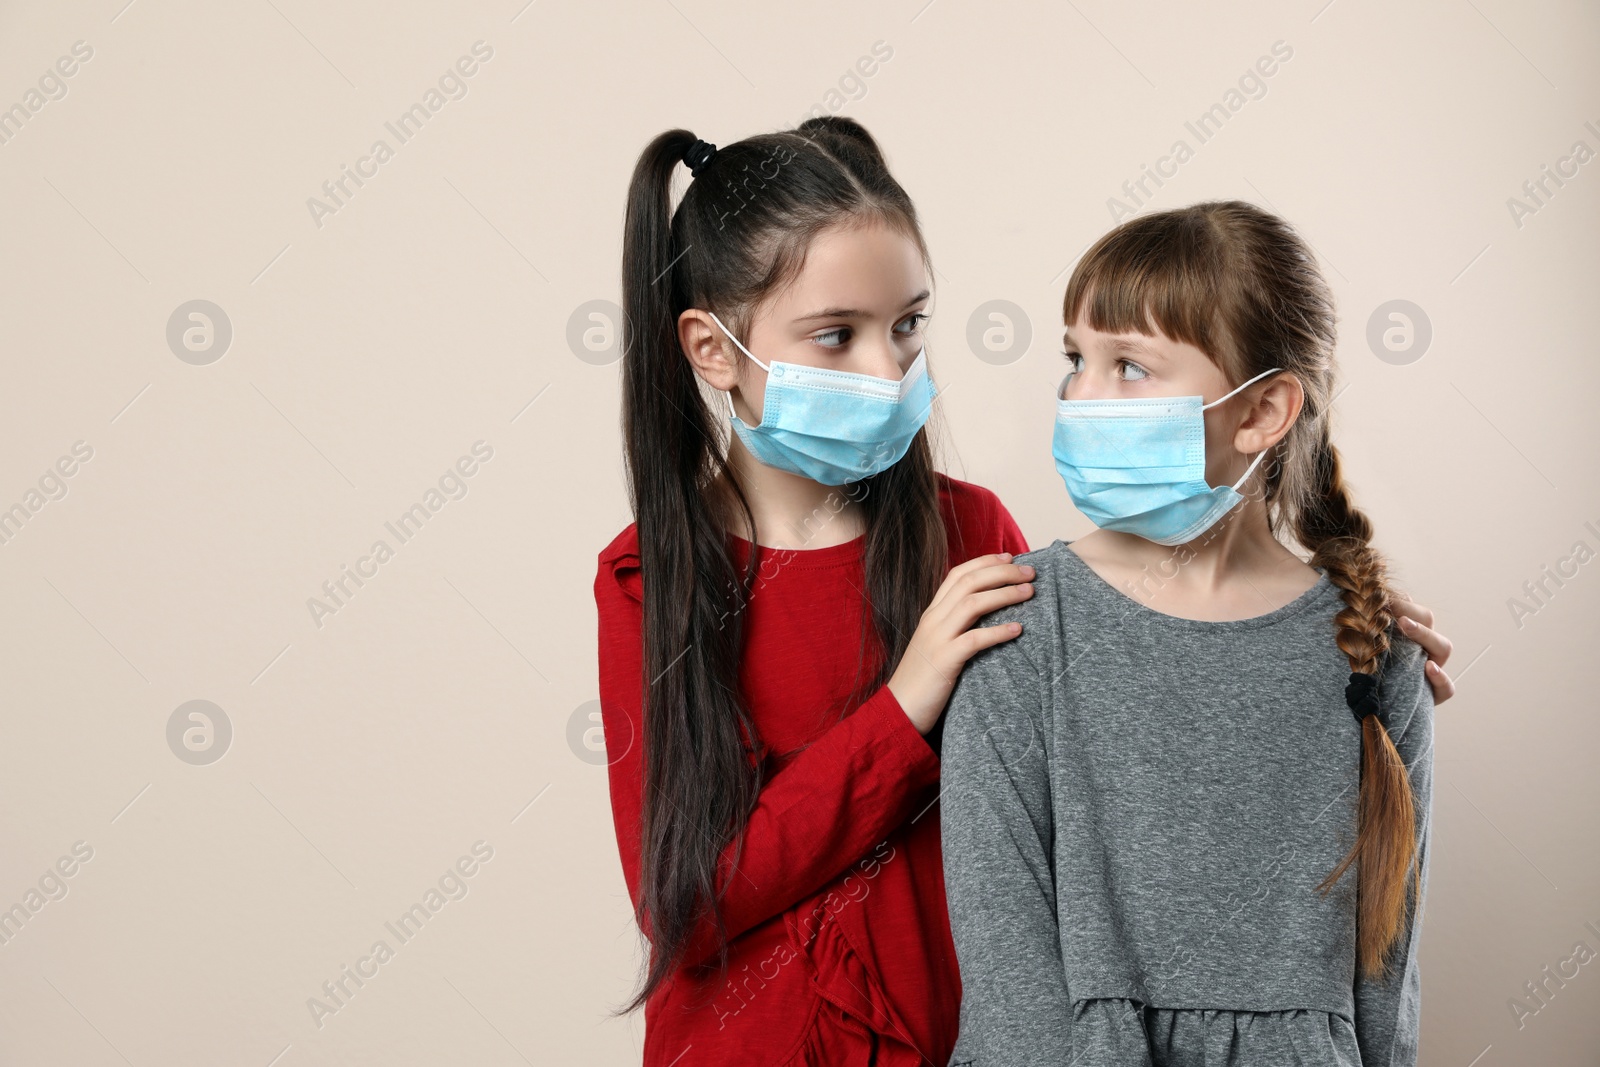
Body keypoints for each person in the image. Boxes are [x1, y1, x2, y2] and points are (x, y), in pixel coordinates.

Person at [598, 121, 1455, 1066]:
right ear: (712, 350)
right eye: (838, 336)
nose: (889, 371)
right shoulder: (652, 579)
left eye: (909, 326)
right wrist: (901, 710)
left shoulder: (974, 539)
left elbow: (1124, 670)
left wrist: (1342, 636)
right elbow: (683, 901)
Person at [941, 200, 1437, 1066]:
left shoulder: (1372, 655)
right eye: (1077, 360)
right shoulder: (1020, 632)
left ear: (1261, 412)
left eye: (1129, 366)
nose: (1081, 397)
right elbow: (1007, 979)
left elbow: (1385, 992)